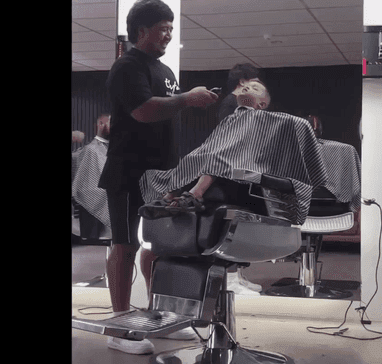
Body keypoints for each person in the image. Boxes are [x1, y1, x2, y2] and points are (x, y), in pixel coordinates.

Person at [97, 0, 218, 355]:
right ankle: (119, 326)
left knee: (159, 246)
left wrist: (189, 98)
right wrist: (187, 99)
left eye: (170, 27)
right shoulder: (126, 67)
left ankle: (158, 314)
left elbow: (166, 107)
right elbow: (143, 111)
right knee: (124, 244)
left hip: (161, 173)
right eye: (162, 27)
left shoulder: (163, 70)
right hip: (127, 170)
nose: (168, 33)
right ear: (140, 31)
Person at [140, 79, 271, 214]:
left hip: (245, 170)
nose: (247, 87)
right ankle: (169, 198)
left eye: (254, 89)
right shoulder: (231, 119)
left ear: (261, 105)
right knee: (194, 157)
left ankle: (195, 194)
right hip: (228, 167)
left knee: (215, 159)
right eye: (247, 86)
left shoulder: (260, 120)